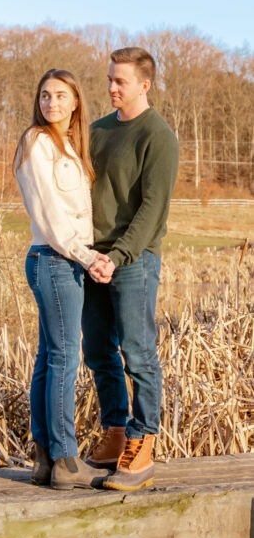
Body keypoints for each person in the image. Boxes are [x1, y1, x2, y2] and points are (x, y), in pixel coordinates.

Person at [83, 47, 179, 491]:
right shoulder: (98, 130)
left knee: (138, 354)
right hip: (92, 257)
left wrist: (117, 256)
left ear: (145, 84)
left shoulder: (158, 136)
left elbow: (152, 210)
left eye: (120, 81)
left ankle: (142, 445)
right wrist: (88, 253)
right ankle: (117, 430)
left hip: (135, 261)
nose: (111, 88)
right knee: (98, 351)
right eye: (109, 79)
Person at [14, 68, 114, 490]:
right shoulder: (37, 143)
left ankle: (45, 458)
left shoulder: (70, 146)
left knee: (49, 358)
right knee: (63, 359)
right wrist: (89, 257)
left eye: (60, 96)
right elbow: (52, 218)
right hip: (56, 259)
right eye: (44, 96)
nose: (51, 103)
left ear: (75, 102)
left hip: (59, 261)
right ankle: (66, 460)